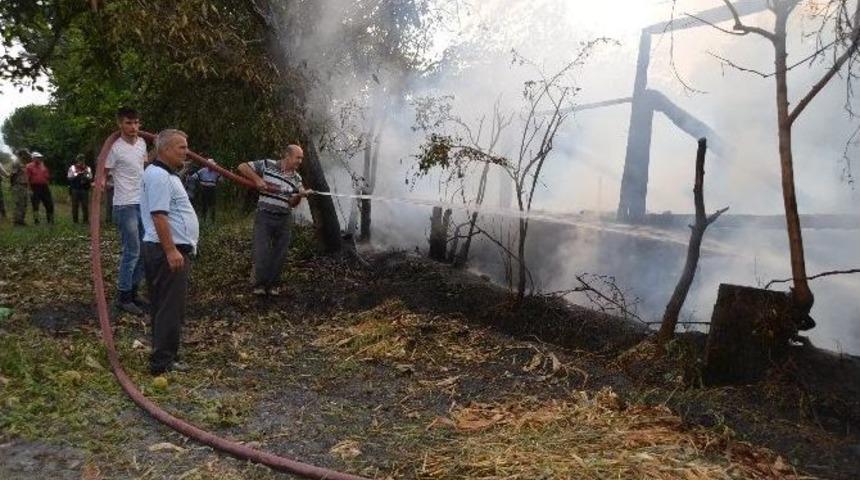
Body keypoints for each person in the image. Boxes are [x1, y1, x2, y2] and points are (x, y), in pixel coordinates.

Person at [141, 129, 198, 375]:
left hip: (169, 250)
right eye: (181, 148)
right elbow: (158, 215)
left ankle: (165, 356)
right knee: (169, 308)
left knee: (166, 306)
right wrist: (171, 250)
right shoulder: (158, 176)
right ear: (164, 150)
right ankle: (163, 362)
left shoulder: (166, 174)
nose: (186, 152)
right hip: (166, 252)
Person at [237, 145, 311, 296]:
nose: (300, 161)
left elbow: (292, 203)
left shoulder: (297, 178)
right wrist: (257, 179)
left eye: (301, 158)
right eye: (298, 157)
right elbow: (242, 167)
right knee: (261, 250)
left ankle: (273, 285)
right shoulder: (267, 164)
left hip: (284, 218)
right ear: (288, 156)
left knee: (280, 253)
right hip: (264, 215)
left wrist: (299, 195)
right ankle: (259, 285)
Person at [95, 107, 148, 315]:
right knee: (132, 250)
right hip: (125, 205)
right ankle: (123, 296)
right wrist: (99, 183)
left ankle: (134, 293)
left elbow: (141, 168)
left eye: (136, 123)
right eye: (128, 123)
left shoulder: (142, 143)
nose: (133, 127)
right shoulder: (114, 148)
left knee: (145, 250)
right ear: (120, 124)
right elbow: (103, 173)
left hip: (143, 203)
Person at [25, 151, 54, 224]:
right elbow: (27, 179)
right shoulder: (29, 166)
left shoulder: (43, 166)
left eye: (40, 158)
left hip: (44, 187)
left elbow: (47, 176)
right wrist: (29, 189)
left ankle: (50, 220)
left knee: (49, 204)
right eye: (38, 158)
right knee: (35, 205)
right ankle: (36, 221)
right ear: (33, 158)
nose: (40, 159)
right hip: (34, 187)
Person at [67, 154, 93, 224]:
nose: (81, 161)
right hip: (75, 189)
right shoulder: (72, 167)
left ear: (84, 160)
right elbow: (69, 177)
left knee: (85, 205)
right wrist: (77, 175)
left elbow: (90, 177)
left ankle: (85, 221)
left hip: (84, 189)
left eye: (82, 159)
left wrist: (85, 176)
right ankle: (75, 221)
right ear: (77, 160)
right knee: (75, 206)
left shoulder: (88, 168)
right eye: (79, 159)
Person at [9, 150, 29, 226]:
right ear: (22, 154)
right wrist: (12, 185)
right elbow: (12, 175)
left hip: (24, 186)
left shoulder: (23, 162)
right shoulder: (16, 162)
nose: (27, 155)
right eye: (25, 154)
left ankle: (21, 220)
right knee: (19, 204)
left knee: (24, 204)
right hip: (18, 186)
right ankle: (16, 222)